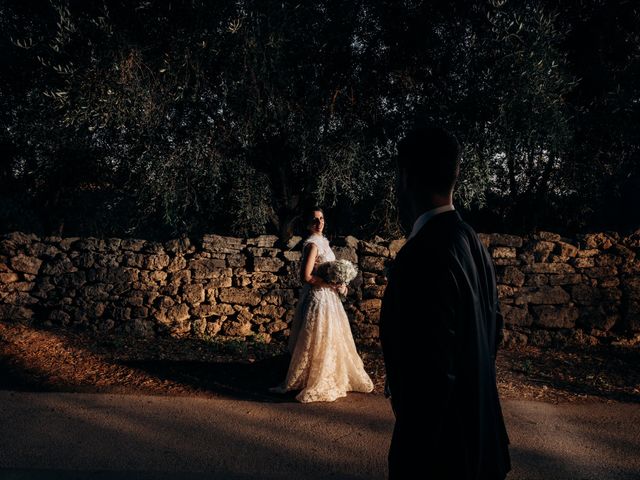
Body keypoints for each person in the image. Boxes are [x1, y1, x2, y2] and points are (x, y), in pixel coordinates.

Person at [379, 127, 511, 479]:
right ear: (455, 175)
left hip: (443, 457)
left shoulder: (422, 254)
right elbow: (493, 329)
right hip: (483, 445)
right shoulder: (472, 240)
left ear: (405, 177)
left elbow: (429, 375)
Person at [271, 207, 374, 403]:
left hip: (329, 297)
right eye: (315, 220)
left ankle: (332, 374)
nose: (319, 223)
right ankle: (313, 378)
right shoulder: (312, 245)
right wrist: (331, 284)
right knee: (317, 336)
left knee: (331, 335)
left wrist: (340, 282)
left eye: (322, 218)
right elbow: (306, 276)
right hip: (318, 297)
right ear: (308, 224)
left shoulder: (323, 242)